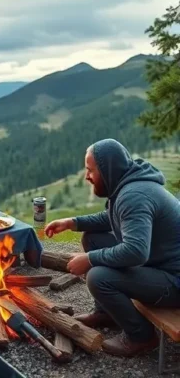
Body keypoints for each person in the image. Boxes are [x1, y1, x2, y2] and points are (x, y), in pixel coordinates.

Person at [45, 138, 180, 357]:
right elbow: (113, 218)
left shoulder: (133, 196)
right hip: (160, 264)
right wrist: (73, 222)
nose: (87, 176)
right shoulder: (129, 184)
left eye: (90, 170)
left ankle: (141, 336)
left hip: (174, 280)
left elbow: (136, 251)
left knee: (98, 277)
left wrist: (89, 259)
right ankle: (106, 312)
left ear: (107, 169)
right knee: (94, 239)